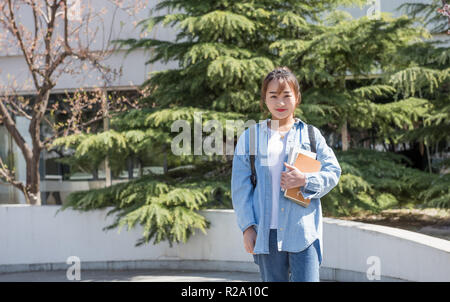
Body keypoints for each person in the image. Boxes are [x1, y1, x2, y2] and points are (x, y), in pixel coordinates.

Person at [231, 66, 341, 282]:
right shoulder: (250, 137)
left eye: (286, 95)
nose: (280, 103)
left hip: (302, 231)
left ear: (297, 98)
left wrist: (305, 180)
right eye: (273, 96)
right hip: (265, 233)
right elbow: (240, 187)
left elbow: (333, 171)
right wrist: (247, 228)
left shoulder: (311, 135)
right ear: (264, 99)